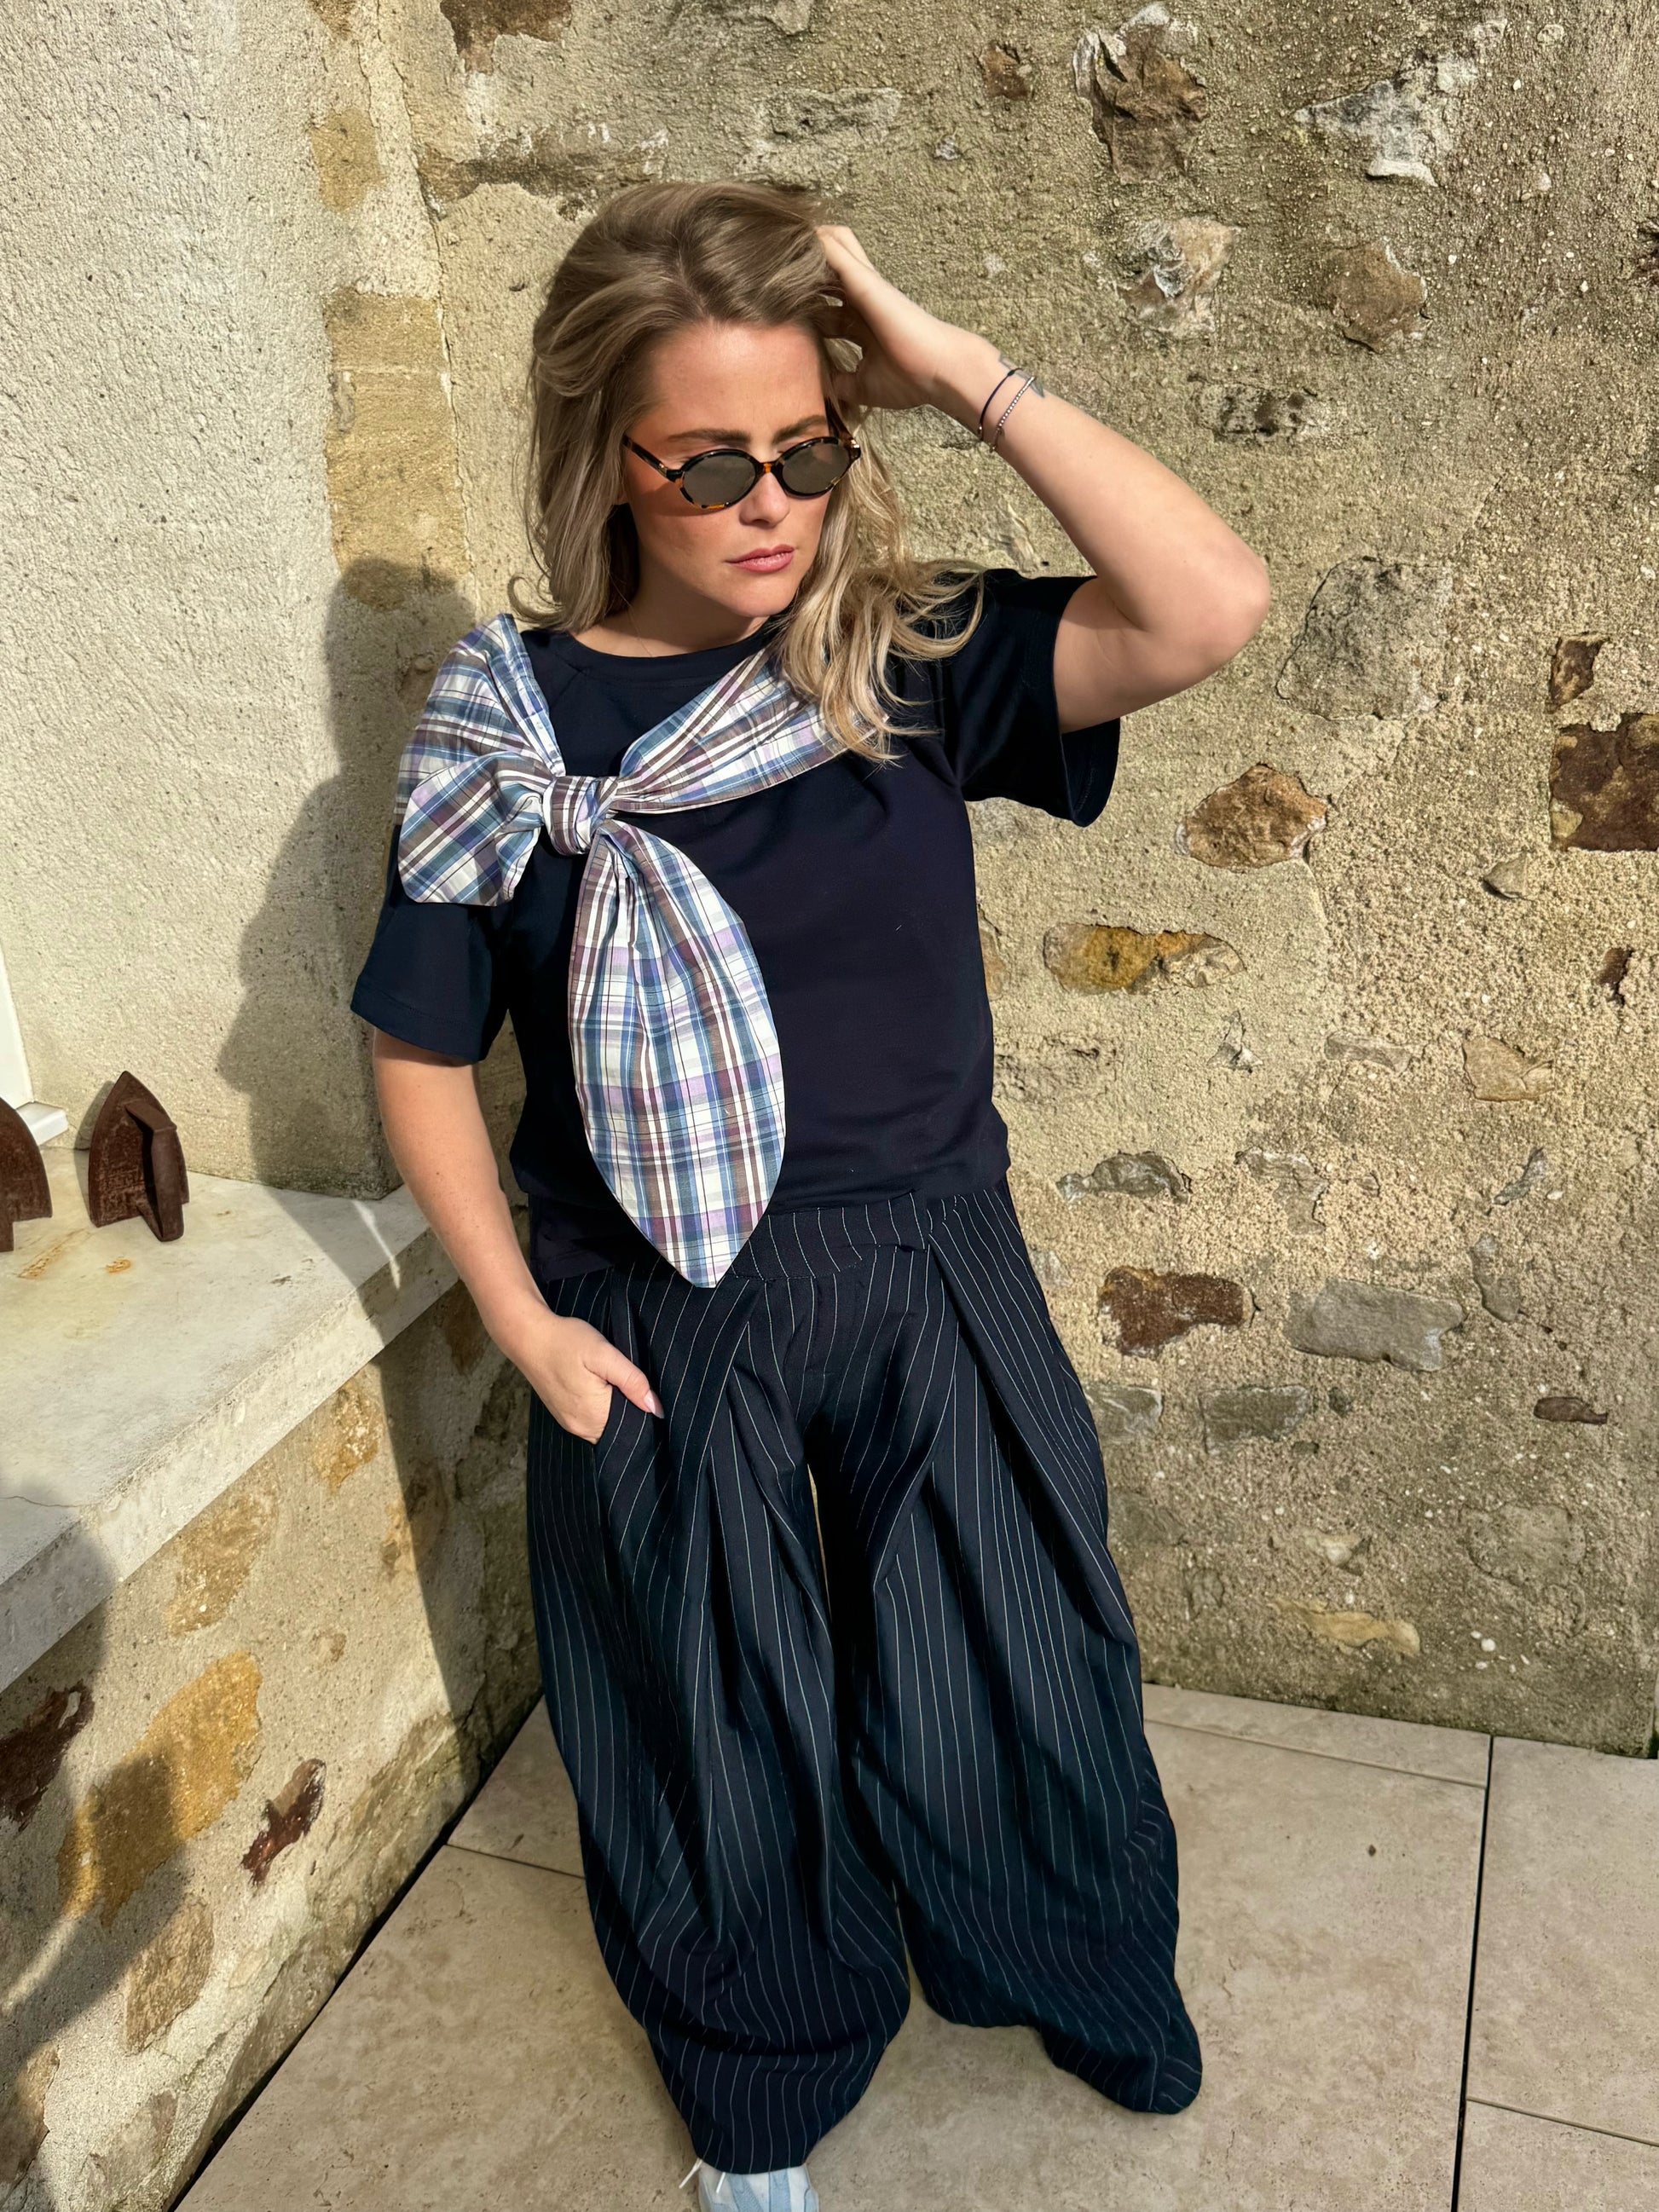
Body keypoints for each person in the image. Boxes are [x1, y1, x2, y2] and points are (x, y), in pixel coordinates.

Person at [350, 179, 1269, 2212]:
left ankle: (1067, 1961)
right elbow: (419, 1046)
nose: (766, 506)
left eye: (806, 451)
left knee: (1012, 1648)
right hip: (651, 1288)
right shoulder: (504, 731)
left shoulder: (895, 658)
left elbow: (1205, 602)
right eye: (707, 464)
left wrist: (954, 372)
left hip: (930, 1254)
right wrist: (520, 1321)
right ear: (604, 454)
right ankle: (762, 2062)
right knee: (712, 1697)